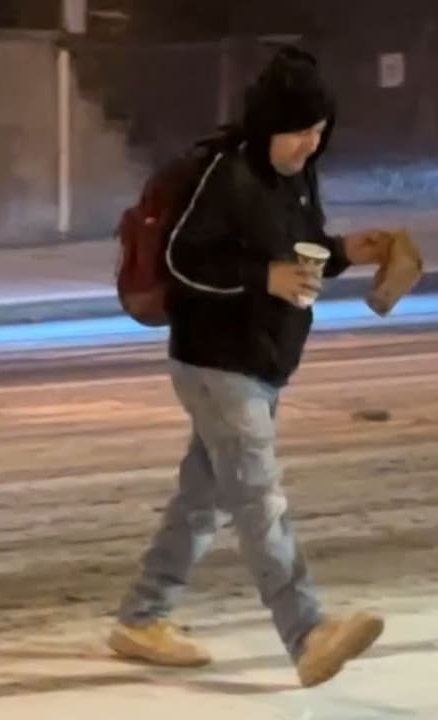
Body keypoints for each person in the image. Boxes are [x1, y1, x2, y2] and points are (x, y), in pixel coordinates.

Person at [109, 46, 390, 689]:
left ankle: (141, 617)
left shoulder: (295, 177)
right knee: (259, 498)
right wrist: (263, 276)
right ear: (269, 123)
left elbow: (302, 252)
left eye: (319, 134)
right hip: (216, 361)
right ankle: (306, 631)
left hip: (262, 363)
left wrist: (347, 250)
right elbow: (183, 261)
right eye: (300, 132)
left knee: (202, 500)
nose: (309, 147)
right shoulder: (226, 175)